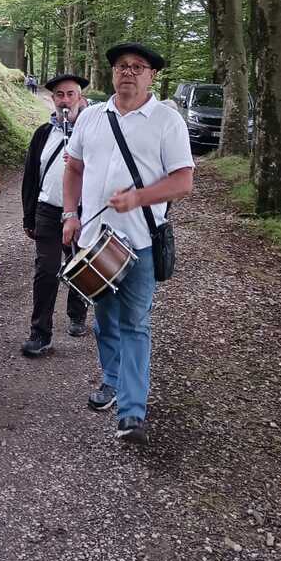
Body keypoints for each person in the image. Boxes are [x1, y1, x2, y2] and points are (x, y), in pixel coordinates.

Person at [62, 42, 194, 445]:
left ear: (152, 76)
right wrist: (70, 214)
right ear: (112, 73)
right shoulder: (91, 117)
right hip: (94, 244)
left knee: (136, 324)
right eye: (122, 66)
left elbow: (183, 181)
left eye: (138, 67)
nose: (129, 72)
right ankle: (112, 378)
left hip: (140, 242)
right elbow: (73, 168)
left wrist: (139, 197)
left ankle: (132, 411)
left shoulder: (167, 121)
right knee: (104, 321)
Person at [21, 74, 90, 356]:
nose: (65, 100)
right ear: (52, 99)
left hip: (84, 211)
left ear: (80, 98)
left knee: (79, 266)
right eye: (59, 95)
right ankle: (40, 333)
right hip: (48, 210)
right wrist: (28, 216)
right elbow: (30, 176)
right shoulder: (42, 133)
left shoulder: (91, 132)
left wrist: (81, 165)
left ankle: (77, 313)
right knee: (46, 270)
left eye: (70, 94)